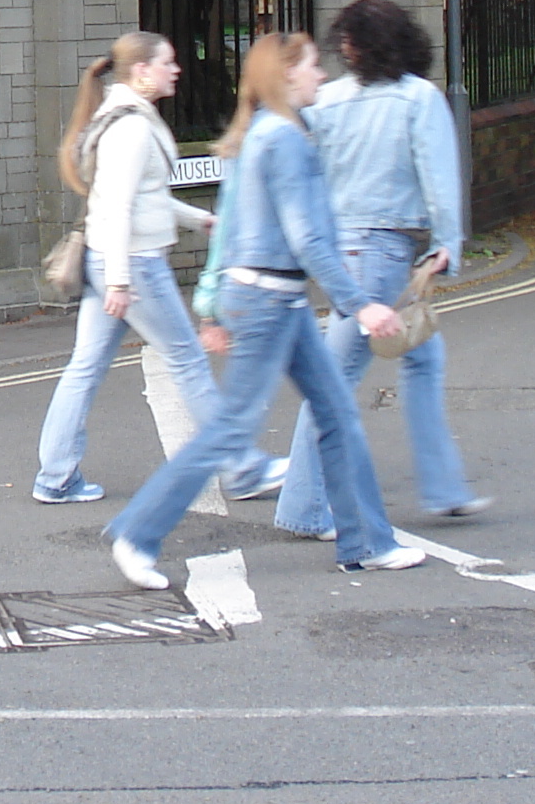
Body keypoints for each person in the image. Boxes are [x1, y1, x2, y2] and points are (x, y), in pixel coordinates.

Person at [101, 31, 426, 586]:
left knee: (338, 415)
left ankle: (367, 543)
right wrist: (360, 306)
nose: (320, 76)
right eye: (310, 68)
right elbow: (308, 238)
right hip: (269, 300)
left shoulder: (268, 133)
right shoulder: (284, 140)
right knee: (233, 429)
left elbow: (230, 226)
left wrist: (212, 307)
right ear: (286, 76)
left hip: (277, 299)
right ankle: (137, 531)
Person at [31, 33, 287, 506]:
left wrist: (198, 219)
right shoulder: (130, 127)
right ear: (141, 71)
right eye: (167, 62)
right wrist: (121, 282)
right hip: (134, 264)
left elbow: (142, 197)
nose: (177, 69)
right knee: (188, 359)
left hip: (111, 259)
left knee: (84, 367)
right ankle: (240, 467)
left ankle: (55, 475)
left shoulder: (121, 114)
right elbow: (119, 208)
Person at [274, 0, 488, 536]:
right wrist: (447, 242)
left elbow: (308, 173)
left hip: (345, 249)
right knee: (335, 380)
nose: (341, 49)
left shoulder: (328, 101)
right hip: (385, 251)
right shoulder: (419, 99)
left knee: (422, 358)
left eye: (347, 40)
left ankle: (443, 489)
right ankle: (302, 508)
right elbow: (439, 176)